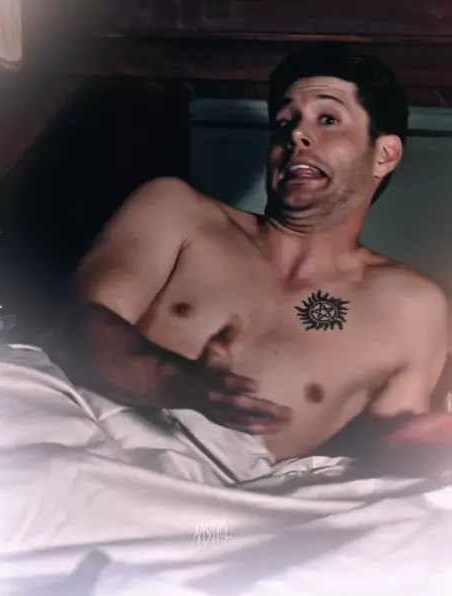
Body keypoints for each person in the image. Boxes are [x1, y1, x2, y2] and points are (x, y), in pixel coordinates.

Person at [52, 43, 448, 461]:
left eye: (328, 119)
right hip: (90, 437)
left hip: (214, 486)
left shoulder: (411, 306)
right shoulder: (176, 213)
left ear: (384, 155)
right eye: (284, 122)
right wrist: (177, 382)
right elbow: (75, 327)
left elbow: (387, 457)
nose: (296, 134)